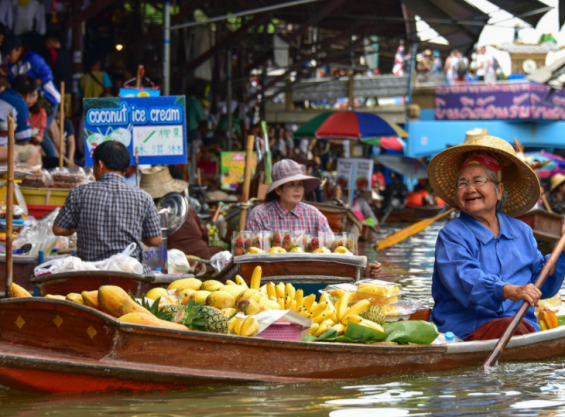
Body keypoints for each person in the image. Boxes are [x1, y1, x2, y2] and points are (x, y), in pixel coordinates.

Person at [427, 135, 565, 341]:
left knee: (517, 326)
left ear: (499, 191)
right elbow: (466, 278)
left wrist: (560, 254)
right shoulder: (452, 234)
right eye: (462, 183)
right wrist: (510, 291)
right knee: (510, 326)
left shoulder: (523, 231)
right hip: (465, 331)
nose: (470, 188)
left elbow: (540, 286)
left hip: (521, 326)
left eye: (478, 181)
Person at [246, 159, 382, 278]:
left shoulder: (314, 215)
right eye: (291, 185)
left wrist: (363, 270)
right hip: (271, 277)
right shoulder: (259, 214)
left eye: (299, 184)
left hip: (311, 275)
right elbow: (251, 256)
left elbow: (334, 251)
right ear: (278, 190)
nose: (298, 189)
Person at [53, 141, 162, 273]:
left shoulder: (79, 193)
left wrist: (81, 224)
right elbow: (156, 240)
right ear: (126, 168)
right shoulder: (144, 197)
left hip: (90, 274)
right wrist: (135, 230)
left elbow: (58, 229)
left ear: (100, 165)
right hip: (130, 275)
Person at [139, 165, 224, 260]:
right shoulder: (188, 209)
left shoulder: (148, 213)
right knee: (219, 250)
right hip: (197, 253)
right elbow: (204, 232)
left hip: (173, 257)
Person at [1, 35, 60, 158]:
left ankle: (54, 161)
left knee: (43, 135)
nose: (7, 57)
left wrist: (30, 86)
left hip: (48, 99)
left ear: (18, 50)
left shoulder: (33, 58)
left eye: (9, 53)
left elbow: (48, 76)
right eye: (4, 54)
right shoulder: (12, 65)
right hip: (29, 100)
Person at [0, 74, 41, 165]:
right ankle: (22, 178)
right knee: (33, 151)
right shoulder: (20, 104)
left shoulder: (3, 95)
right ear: (28, 95)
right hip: (3, 146)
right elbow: (23, 140)